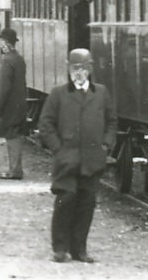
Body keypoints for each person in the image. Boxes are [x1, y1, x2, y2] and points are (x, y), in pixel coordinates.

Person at [38, 48, 114, 263]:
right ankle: (60, 248)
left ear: (90, 69)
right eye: (74, 68)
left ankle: (79, 249)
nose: (78, 72)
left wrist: (106, 146)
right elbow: (45, 125)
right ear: (69, 69)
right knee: (66, 200)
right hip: (67, 160)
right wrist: (57, 149)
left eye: (82, 68)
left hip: (92, 160)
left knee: (86, 204)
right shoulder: (58, 94)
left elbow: (112, 122)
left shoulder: (101, 93)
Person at [0, 27, 30, 180]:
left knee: (11, 136)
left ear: (6, 43)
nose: (0, 44)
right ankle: (15, 168)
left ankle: (15, 170)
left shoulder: (6, 61)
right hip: (20, 103)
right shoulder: (19, 59)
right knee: (15, 135)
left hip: (9, 105)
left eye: (1, 41)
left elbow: (3, 88)